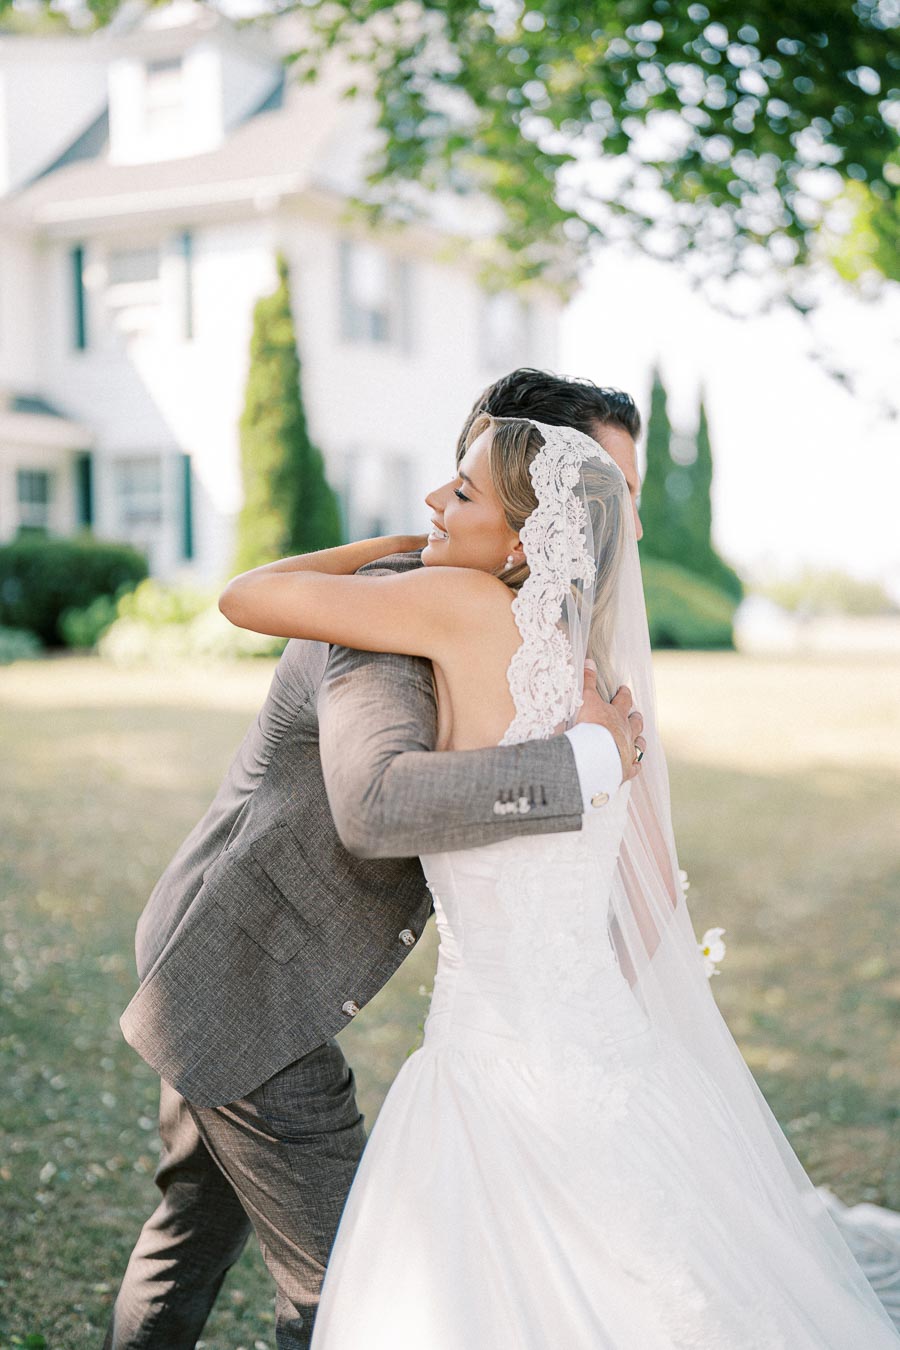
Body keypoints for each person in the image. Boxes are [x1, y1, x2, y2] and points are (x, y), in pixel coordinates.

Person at [220, 413, 900, 1348]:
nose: (434, 504)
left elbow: (248, 596)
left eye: (461, 495)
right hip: (605, 1046)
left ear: (521, 541)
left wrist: (397, 551)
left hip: (491, 1054)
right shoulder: (590, 679)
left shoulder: (454, 605)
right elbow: (643, 887)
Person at [104, 371, 648, 1350]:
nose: (620, 525)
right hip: (241, 966)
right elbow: (378, 804)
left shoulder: (519, 633)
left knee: (191, 1231)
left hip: (217, 931)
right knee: (345, 1285)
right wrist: (586, 762)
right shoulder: (400, 625)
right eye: (608, 489)